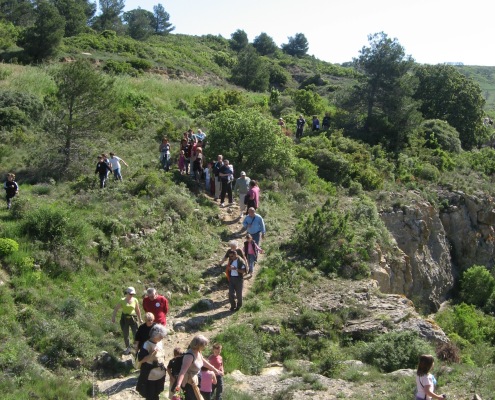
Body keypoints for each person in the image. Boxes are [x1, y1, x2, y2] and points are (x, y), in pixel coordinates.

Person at [174, 335, 223, 400]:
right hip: (189, 384)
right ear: (200, 345)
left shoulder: (198, 352)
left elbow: (203, 361)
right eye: (205, 345)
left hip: (196, 382)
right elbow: (182, 371)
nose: (205, 346)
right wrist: (178, 386)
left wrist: (215, 369)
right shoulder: (189, 356)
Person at [136, 324, 168, 400]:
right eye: (160, 336)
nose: (162, 338)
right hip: (150, 375)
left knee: (157, 393)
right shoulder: (146, 345)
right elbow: (141, 360)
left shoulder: (160, 342)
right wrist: (151, 354)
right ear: (155, 335)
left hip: (160, 373)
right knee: (150, 395)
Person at [112, 286, 142, 355]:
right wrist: (113, 317)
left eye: (133, 294)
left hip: (133, 318)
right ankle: (128, 348)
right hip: (124, 319)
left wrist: (140, 318)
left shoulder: (135, 300)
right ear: (127, 293)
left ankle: (136, 348)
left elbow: (137, 310)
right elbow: (116, 309)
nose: (132, 295)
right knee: (126, 334)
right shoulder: (122, 300)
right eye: (130, 294)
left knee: (136, 333)